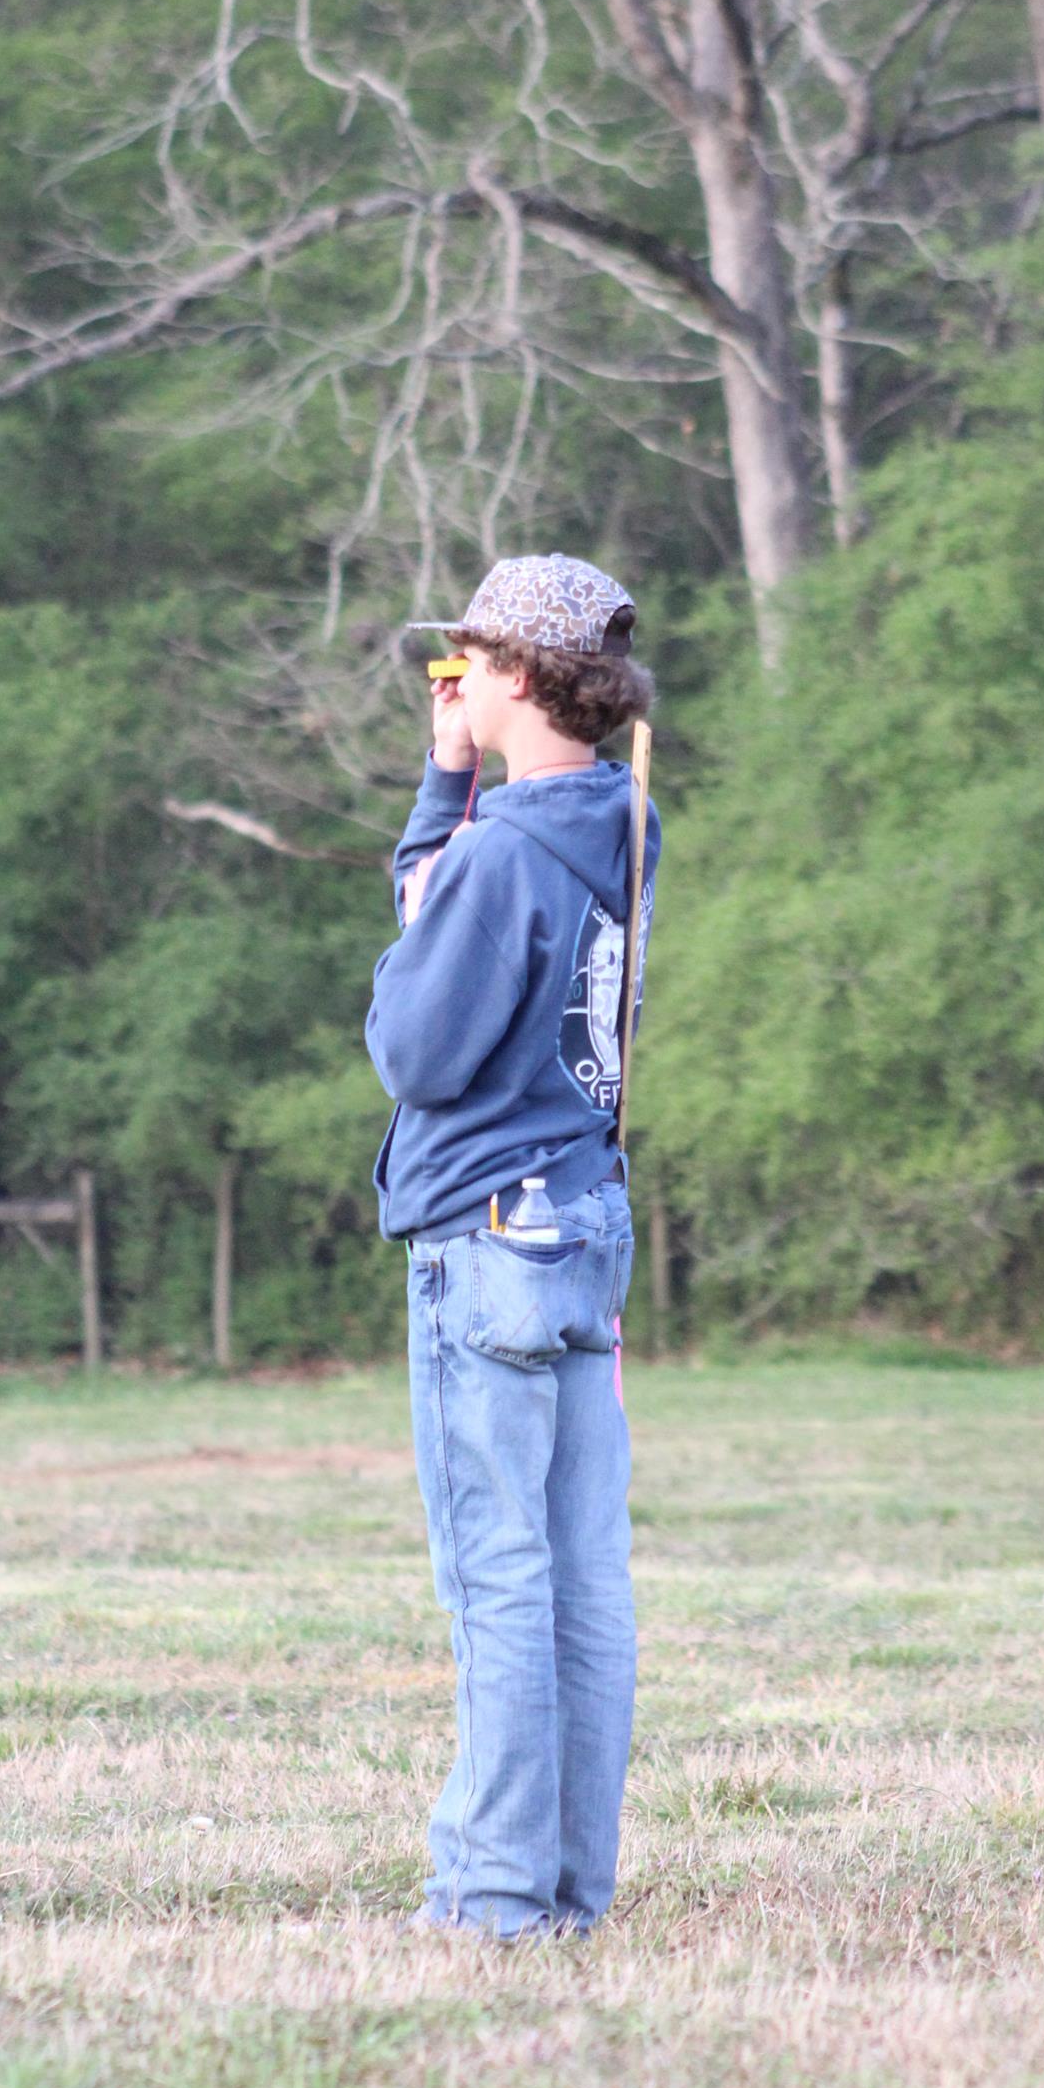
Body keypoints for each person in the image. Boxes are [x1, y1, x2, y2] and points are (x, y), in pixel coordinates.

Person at [365, 553, 659, 1942]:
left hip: (487, 1238)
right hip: (585, 1220)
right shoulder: (623, 823)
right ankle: (567, 1893)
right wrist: (450, 780)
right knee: (582, 1586)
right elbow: (455, 905)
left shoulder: (497, 857)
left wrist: (454, 812)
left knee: (499, 1584)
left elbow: (414, 1050)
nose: (457, 680)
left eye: (472, 661)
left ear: (526, 677)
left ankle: (492, 1905)